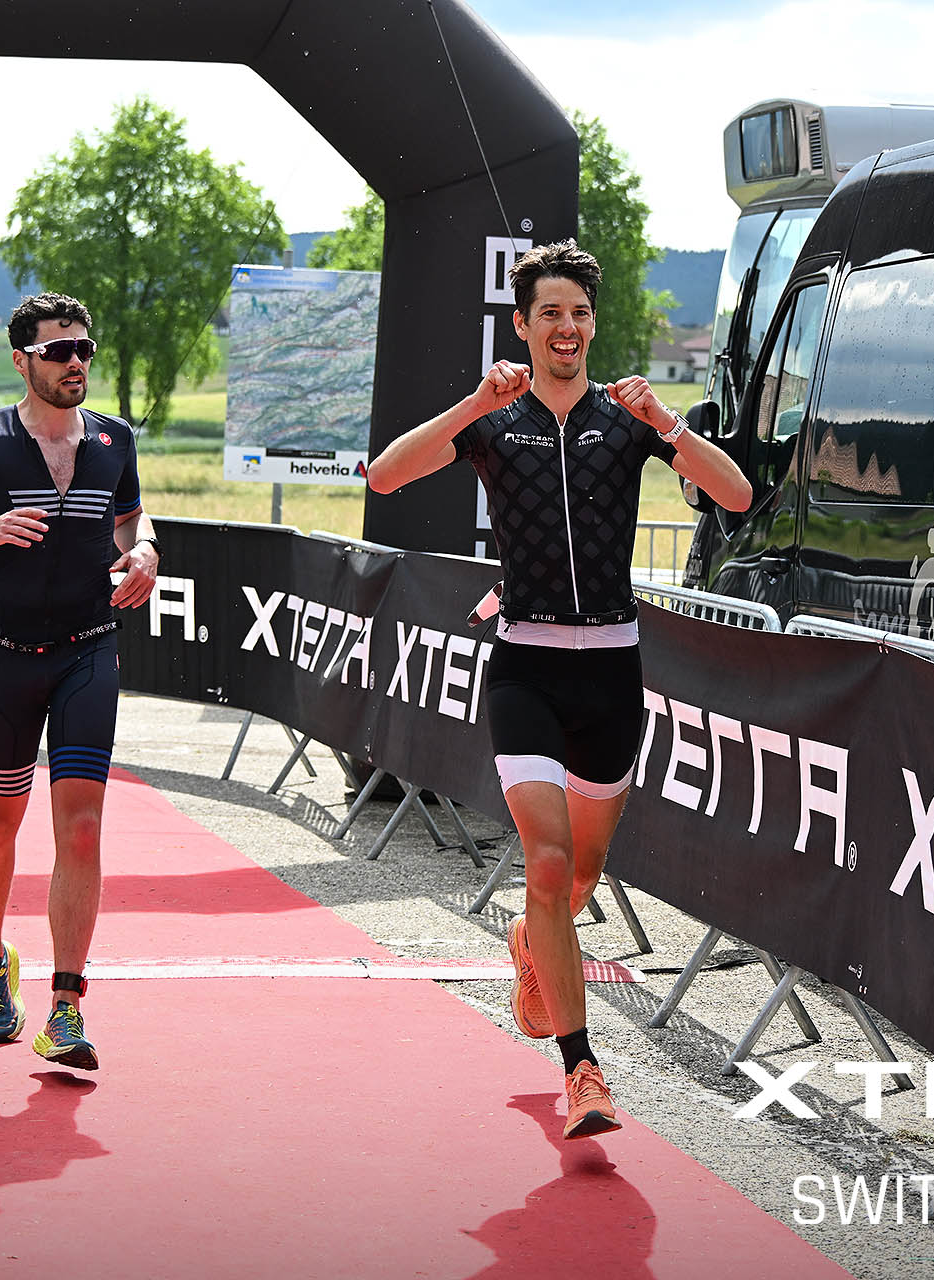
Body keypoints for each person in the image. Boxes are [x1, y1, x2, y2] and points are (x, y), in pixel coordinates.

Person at [366, 240, 753, 1140]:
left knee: (578, 875)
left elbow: (736, 497)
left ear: (592, 323)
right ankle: (583, 1070)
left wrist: (668, 423)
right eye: (550, 314)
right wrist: (474, 402)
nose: (566, 328)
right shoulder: (495, 421)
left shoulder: (628, 418)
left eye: (579, 313)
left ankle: (528, 941)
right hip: (526, 669)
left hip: (611, 672)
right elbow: (384, 475)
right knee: (544, 863)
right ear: (523, 325)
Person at [0, 292, 160, 1071]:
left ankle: (66, 1007)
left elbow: (132, 518)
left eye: (84, 348)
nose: (76, 362)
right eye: (59, 351)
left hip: (88, 649)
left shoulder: (115, 439)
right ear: (22, 360)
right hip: (6, 658)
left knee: (81, 826)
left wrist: (145, 551)